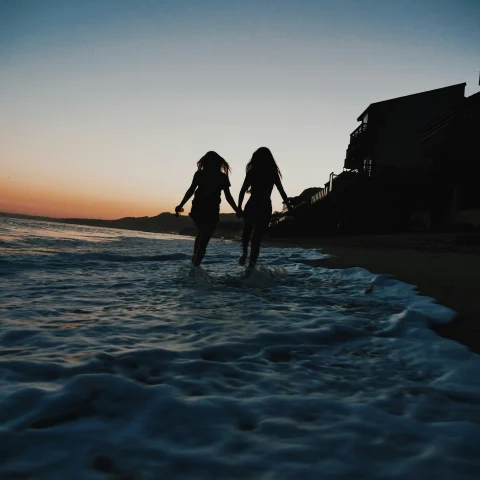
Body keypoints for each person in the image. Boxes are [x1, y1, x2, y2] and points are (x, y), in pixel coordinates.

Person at [175, 151, 241, 267]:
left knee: (202, 234)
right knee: (204, 237)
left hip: (198, 208)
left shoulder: (200, 174)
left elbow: (191, 190)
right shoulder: (221, 177)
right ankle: (195, 265)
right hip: (211, 209)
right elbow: (228, 196)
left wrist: (181, 205)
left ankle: (194, 263)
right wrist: (237, 210)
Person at [238, 147, 291, 269]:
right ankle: (251, 268)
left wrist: (238, 207)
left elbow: (242, 190)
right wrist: (289, 206)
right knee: (256, 240)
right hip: (265, 205)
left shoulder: (252, 171)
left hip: (252, 204)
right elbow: (281, 191)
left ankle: (244, 253)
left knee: (246, 233)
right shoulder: (272, 172)